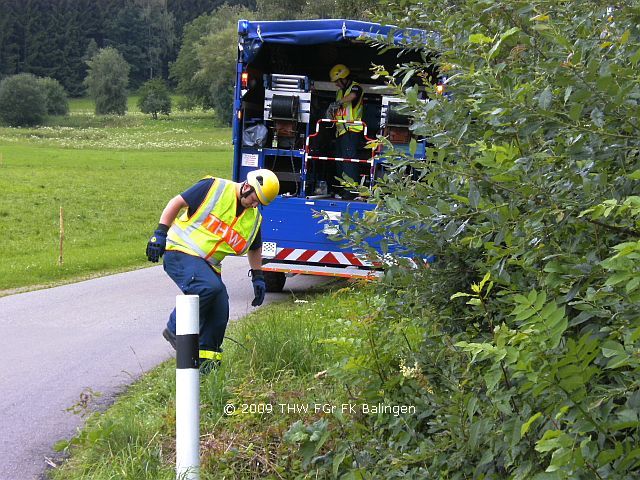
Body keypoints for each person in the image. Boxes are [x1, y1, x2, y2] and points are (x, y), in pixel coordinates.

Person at [146, 169, 280, 372]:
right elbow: (177, 202)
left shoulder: (253, 219)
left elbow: (254, 247)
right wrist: (159, 233)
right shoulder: (214, 188)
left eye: (259, 203)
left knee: (219, 311)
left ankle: (207, 368)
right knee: (209, 287)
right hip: (179, 251)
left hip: (207, 265)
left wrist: (258, 276)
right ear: (247, 186)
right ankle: (175, 330)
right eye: (255, 198)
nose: (255, 204)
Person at [328, 63, 365, 193]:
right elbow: (339, 110)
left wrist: (338, 103)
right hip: (341, 132)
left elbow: (353, 97)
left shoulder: (355, 88)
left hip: (352, 130)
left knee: (349, 162)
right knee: (340, 161)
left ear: (343, 78)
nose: (336, 85)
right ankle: (342, 190)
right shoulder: (339, 92)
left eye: (337, 81)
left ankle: (351, 191)